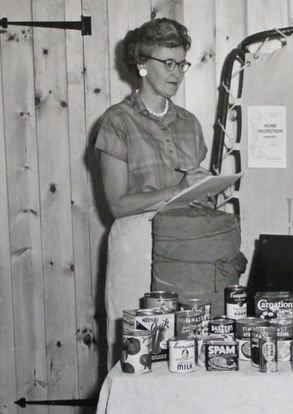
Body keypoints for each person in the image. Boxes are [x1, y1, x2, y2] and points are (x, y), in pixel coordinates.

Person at [95, 17, 210, 367]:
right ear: (142, 65)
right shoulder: (117, 121)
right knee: (136, 354)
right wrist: (177, 189)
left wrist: (206, 189)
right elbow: (117, 204)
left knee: (190, 346)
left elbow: (196, 190)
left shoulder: (190, 123)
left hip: (185, 242)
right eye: (168, 63)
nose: (176, 73)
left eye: (181, 63)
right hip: (136, 243)